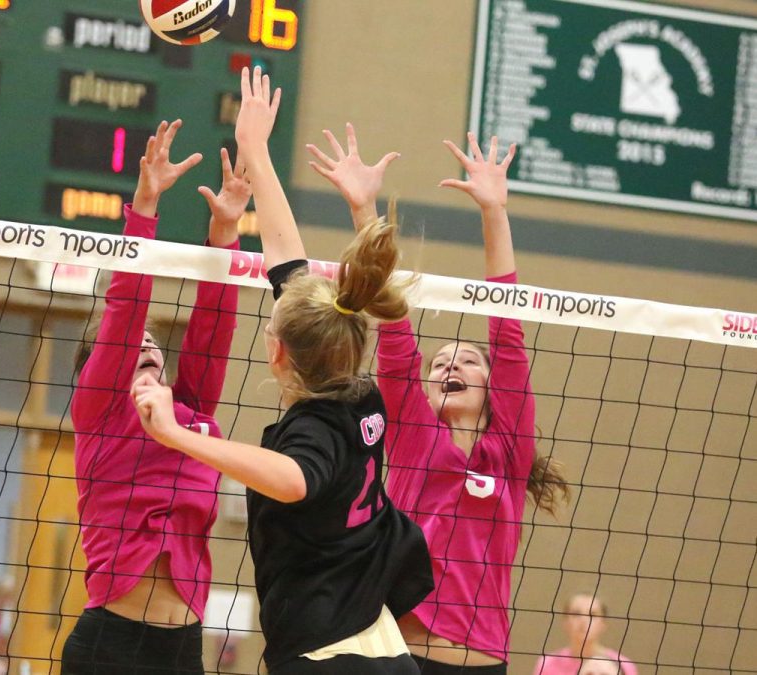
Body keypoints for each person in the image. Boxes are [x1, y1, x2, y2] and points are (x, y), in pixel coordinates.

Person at [132, 67, 433, 674]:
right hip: (377, 642)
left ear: (279, 355)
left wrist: (176, 435)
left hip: (328, 656)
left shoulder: (316, 429)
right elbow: (289, 265)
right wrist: (257, 154)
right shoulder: (362, 393)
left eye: (271, 330)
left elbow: (295, 479)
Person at [307, 125, 571, 673]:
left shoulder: (510, 450)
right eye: (441, 362)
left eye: (468, 360)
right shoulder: (414, 434)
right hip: (399, 656)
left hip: (482, 661)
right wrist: (364, 211)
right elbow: (392, 323)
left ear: (494, 389)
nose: (451, 364)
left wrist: (494, 211)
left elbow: (507, 328)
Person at [60, 120, 248, 674]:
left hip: (183, 649)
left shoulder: (193, 418)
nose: (145, 346)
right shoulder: (101, 413)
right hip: (109, 647)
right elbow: (125, 311)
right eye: (130, 348)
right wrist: (144, 207)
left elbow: (213, 329)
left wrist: (224, 236)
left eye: (152, 346)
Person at [534, 594, 637, 675]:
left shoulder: (623, 665)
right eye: (576, 614)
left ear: (603, 623)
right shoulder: (547, 663)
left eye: (592, 615)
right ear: (565, 621)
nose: (584, 620)